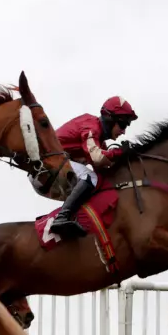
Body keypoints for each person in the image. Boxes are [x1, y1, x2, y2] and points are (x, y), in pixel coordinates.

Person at [48, 96, 138, 238]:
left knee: (97, 180)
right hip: (49, 165)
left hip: (58, 168)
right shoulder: (91, 126)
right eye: (123, 125)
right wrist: (120, 152)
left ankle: (71, 217)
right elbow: (97, 157)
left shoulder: (99, 141)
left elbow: (105, 167)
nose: (123, 131)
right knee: (90, 177)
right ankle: (62, 217)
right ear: (110, 119)